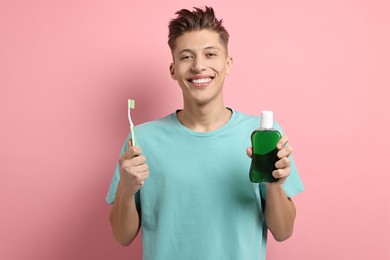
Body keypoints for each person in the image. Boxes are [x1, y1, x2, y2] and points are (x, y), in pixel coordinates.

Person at [106, 6, 304, 260]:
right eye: (186, 57)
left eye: (210, 54)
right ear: (173, 69)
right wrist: (126, 188)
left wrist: (274, 185)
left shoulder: (263, 135)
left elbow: (283, 231)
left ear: (228, 64)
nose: (199, 66)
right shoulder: (140, 142)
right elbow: (122, 237)